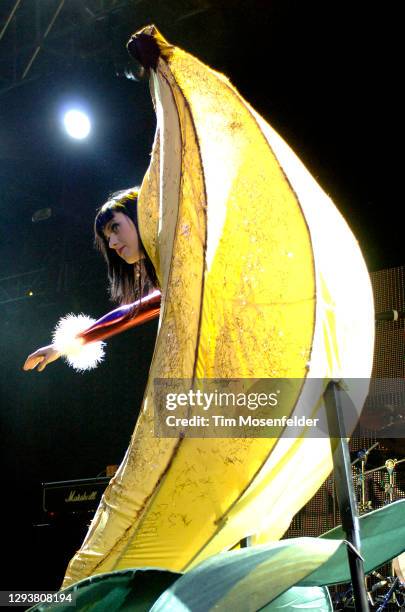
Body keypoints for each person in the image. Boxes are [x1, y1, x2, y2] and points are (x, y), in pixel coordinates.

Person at [23, 25, 374, 590]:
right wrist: (70, 343)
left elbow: (185, 165)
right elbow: (147, 307)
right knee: (210, 489)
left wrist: (160, 71)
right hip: (229, 382)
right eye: (109, 240)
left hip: (254, 357)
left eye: (114, 230)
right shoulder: (172, 273)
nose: (115, 244)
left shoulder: (172, 222)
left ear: (137, 210)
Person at [23, 188, 160, 373]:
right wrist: (63, 346)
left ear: (140, 214)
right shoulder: (166, 276)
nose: (111, 243)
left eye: (115, 227)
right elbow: (130, 313)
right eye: (107, 237)